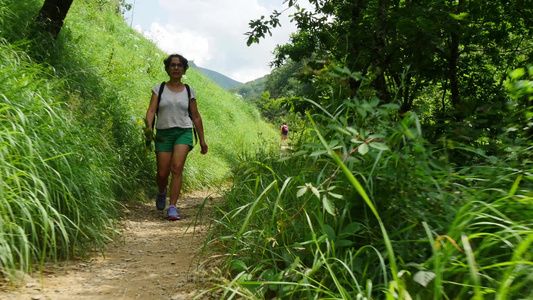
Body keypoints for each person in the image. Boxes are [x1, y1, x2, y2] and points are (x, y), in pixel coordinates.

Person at [145, 54, 208, 220]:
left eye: (179, 65)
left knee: (177, 167)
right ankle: (162, 191)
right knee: (162, 173)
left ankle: (172, 206)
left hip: (183, 132)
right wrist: (149, 127)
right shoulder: (159, 89)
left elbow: (196, 116)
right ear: (167, 68)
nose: (176, 68)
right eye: (172, 65)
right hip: (163, 133)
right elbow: (151, 110)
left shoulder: (188, 90)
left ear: (184, 69)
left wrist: (202, 140)